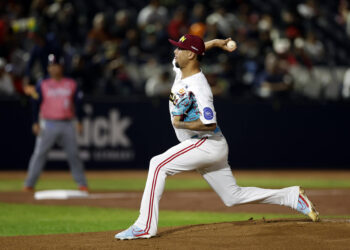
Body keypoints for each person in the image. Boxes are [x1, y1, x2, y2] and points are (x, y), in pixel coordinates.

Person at [115, 34, 319, 240]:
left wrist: (181, 123)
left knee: (157, 164)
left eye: (179, 48)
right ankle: (291, 196)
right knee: (232, 197)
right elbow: (197, 49)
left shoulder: (199, 87)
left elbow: (209, 123)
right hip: (208, 145)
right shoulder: (180, 68)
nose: (175, 52)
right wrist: (216, 43)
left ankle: (145, 225)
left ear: (190, 55)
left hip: (206, 144)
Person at [23, 54, 88, 192]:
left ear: (61, 67)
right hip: (48, 123)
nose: (53, 68)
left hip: (67, 123)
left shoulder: (71, 83)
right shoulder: (42, 83)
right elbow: (35, 103)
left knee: (73, 154)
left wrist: (79, 121)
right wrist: (35, 122)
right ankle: (29, 183)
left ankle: (82, 183)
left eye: (56, 65)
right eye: (51, 65)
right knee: (39, 153)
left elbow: (78, 104)